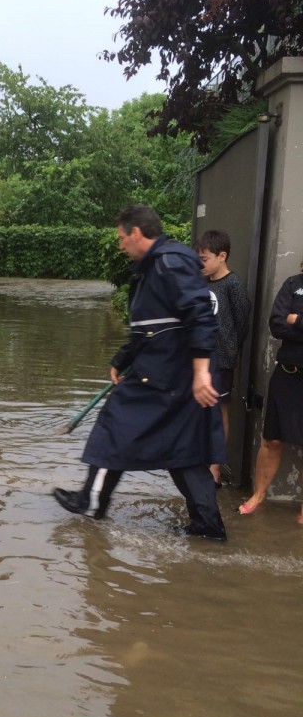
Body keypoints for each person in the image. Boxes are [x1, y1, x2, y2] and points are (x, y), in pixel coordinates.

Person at [53, 203, 227, 540]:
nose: (120, 245)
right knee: (185, 451)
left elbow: (200, 316)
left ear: (136, 233)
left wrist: (201, 373)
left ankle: (90, 502)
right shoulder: (153, 268)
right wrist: (122, 359)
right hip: (174, 375)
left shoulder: (169, 263)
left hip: (171, 377)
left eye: (121, 237)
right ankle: (208, 528)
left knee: (114, 426)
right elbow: (148, 328)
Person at [239, 261, 303, 524]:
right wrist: (290, 322)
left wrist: (297, 319)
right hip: (288, 374)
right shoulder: (293, 284)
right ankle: (258, 495)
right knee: (273, 440)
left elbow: (289, 322)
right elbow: (277, 324)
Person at [192, 229, 252, 485]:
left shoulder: (234, 285)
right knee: (197, 411)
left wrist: (229, 350)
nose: (200, 264)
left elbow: (242, 324)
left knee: (218, 412)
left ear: (222, 256)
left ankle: (215, 468)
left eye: (204, 259)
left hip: (222, 360)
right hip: (198, 360)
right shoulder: (200, 283)